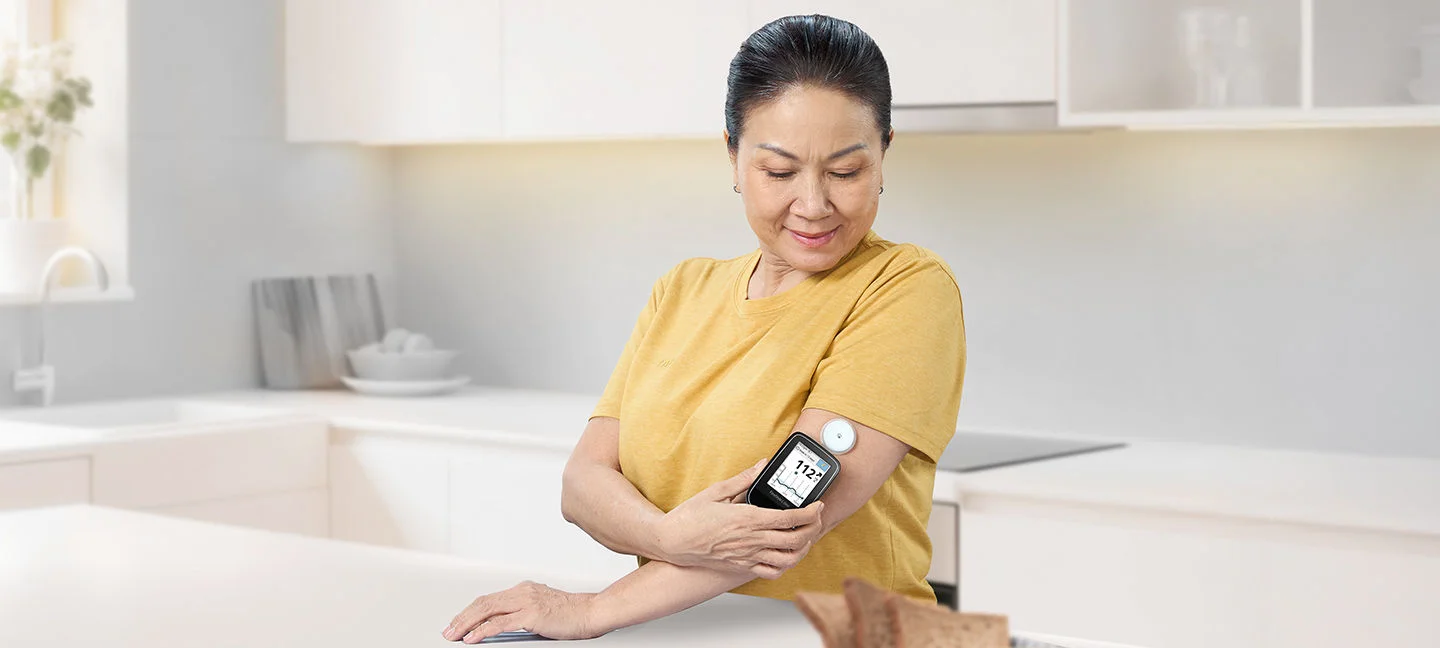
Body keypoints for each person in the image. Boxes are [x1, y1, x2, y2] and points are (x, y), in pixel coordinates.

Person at [442, 14, 965, 644]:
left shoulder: (906, 288)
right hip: (675, 631)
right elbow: (582, 484)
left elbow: (783, 515)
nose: (813, 203)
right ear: (734, 157)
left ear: (882, 154)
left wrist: (591, 610)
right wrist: (666, 536)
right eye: (779, 172)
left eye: (846, 172)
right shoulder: (682, 290)